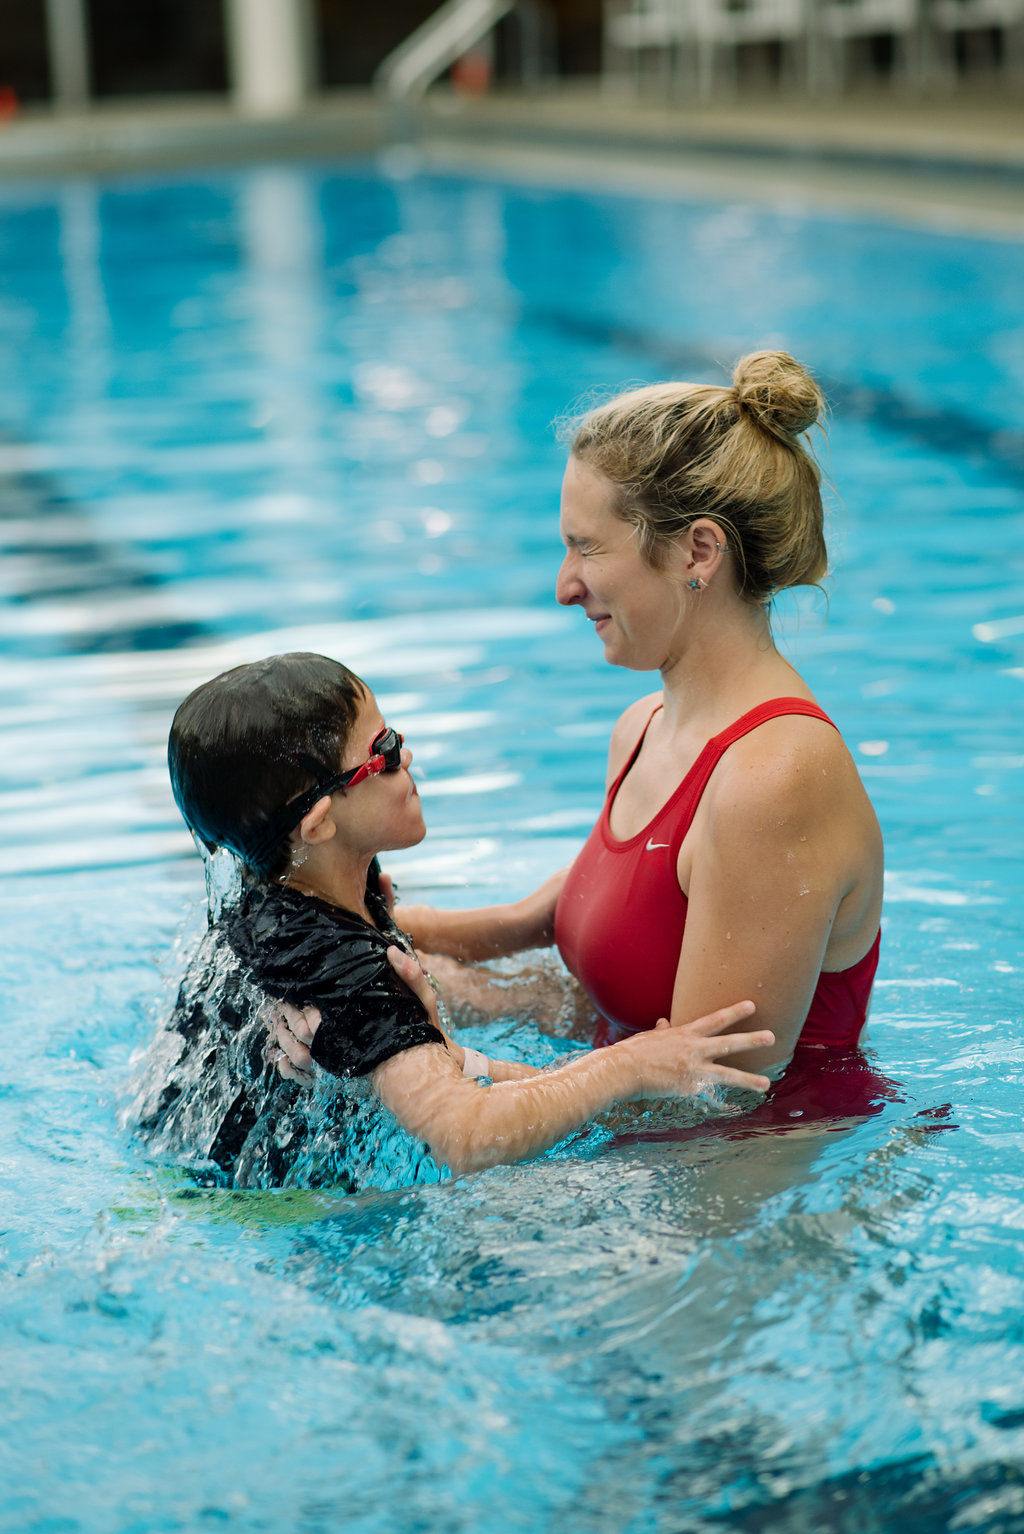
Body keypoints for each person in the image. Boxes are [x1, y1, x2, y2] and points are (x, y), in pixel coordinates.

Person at [288, 350, 883, 1104]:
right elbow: (573, 918)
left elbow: (709, 1098)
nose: (565, 587)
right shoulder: (646, 729)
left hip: (744, 1193)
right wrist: (353, 947)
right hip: (637, 1151)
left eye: (588, 548)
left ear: (698, 551)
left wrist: (418, 1058)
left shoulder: (774, 781)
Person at [135, 652, 772, 1187]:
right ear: (320, 823)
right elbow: (465, 1136)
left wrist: (496, 1043)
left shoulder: (270, 888)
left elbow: (417, 1041)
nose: (404, 757)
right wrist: (626, 1068)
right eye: (382, 750)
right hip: (284, 1216)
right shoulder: (352, 976)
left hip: (190, 1160)